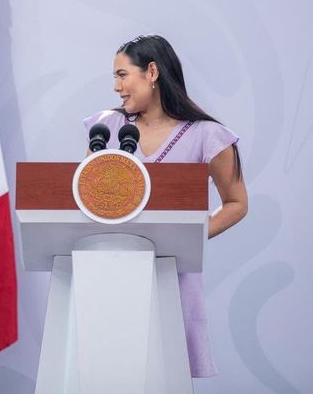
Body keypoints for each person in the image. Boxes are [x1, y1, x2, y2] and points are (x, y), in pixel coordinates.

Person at [83, 35, 248, 377]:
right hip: (109, 276)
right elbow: (86, 197)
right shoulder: (107, 128)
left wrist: (188, 237)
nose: (116, 87)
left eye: (122, 74)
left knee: (163, 372)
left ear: (152, 72)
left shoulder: (207, 135)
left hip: (172, 279)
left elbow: (236, 203)